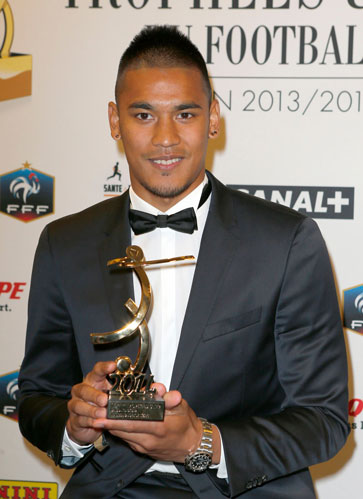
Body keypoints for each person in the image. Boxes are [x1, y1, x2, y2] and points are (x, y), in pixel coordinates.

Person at [18, 25, 349, 499]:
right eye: (144, 115)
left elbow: (326, 419)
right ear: (115, 121)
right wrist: (74, 426)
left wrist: (202, 444)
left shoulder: (286, 242)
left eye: (186, 113)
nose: (166, 139)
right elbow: (34, 398)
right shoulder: (63, 242)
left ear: (213, 117)